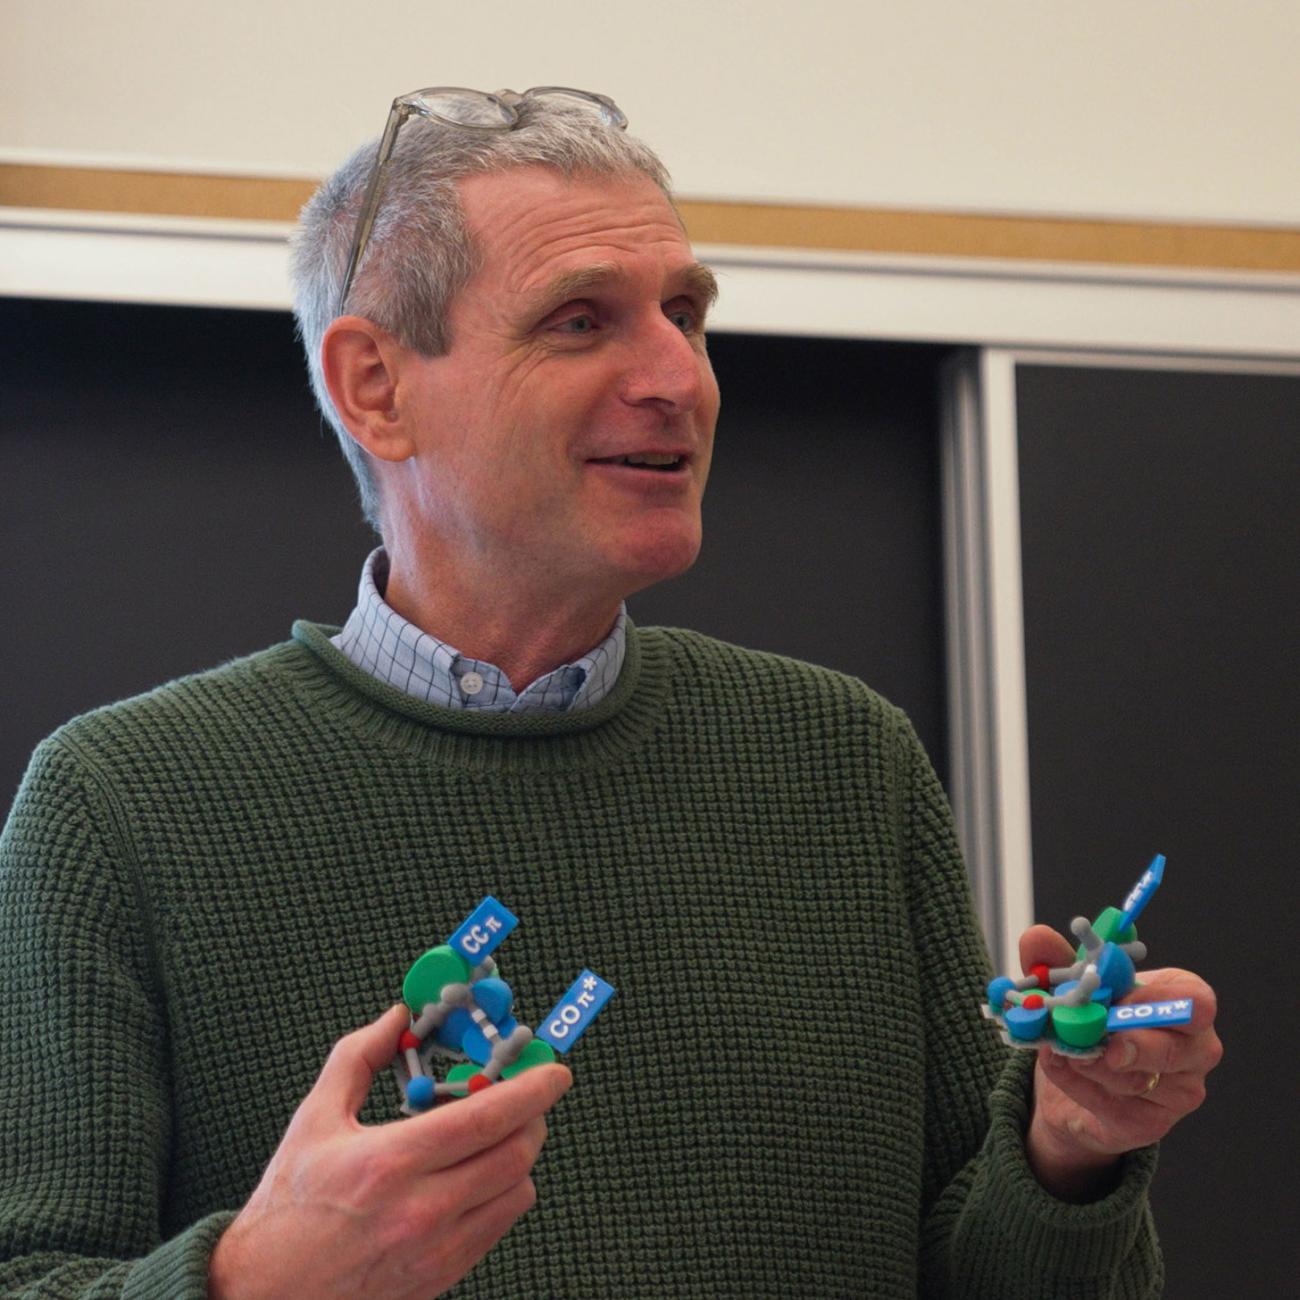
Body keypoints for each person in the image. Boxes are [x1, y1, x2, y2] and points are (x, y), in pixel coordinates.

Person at [0, 87, 1220, 1299]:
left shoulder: (842, 761)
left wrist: (1066, 1147)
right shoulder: (118, 806)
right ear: (376, 386)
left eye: (684, 313)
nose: (675, 376)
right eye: (581, 320)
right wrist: (252, 1281)